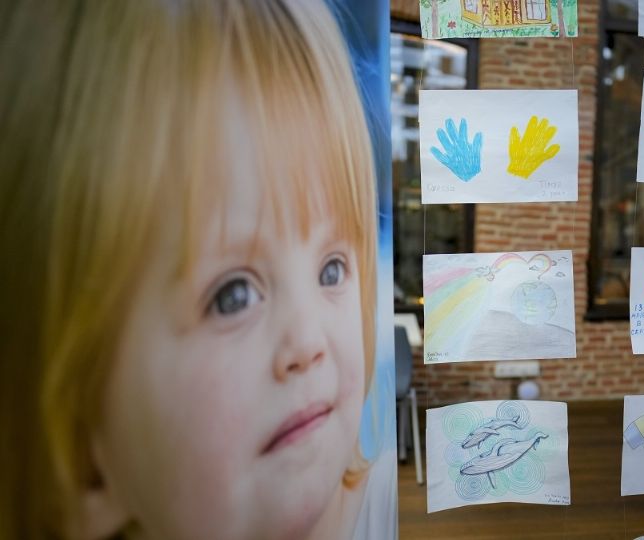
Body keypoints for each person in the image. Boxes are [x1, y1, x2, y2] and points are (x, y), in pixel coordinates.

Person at [0, 1, 390, 538]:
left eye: (331, 269)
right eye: (233, 295)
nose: (309, 341)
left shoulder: (391, 515)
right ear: (81, 451)